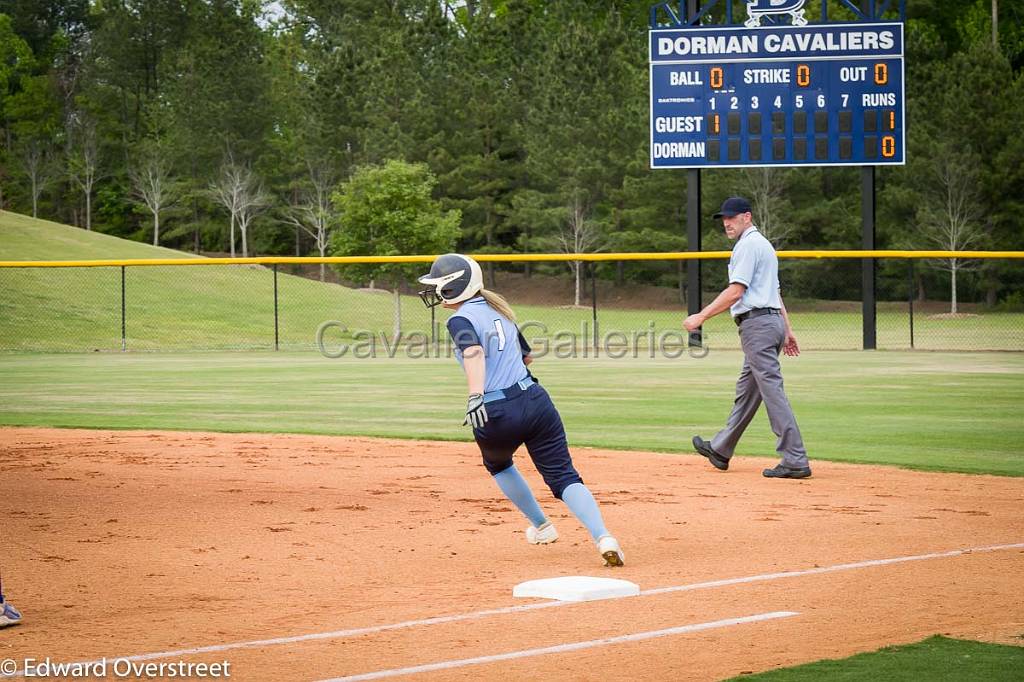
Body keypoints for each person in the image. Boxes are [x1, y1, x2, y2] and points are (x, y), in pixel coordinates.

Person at [417, 253, 624, 566]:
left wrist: (475, 396)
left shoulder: (459, 319)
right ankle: (604, 536)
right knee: (564, 476)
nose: (434, 292)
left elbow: (473, 352)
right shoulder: (501, 311)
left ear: (454, 287)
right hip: (537, 402)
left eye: (439, 285)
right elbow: (527, 358)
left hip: (496, 410)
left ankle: (542, 526)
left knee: (499, 464)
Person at [683, 197, 812, 479]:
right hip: (770, 323)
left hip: (758, 326)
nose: (727, 223)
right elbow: (775, 293)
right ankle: (721, 448)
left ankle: (795, 458)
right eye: (724, 218)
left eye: (732, 217)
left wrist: (701, 317)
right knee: (748, 391)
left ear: (747, 217)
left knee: (772, 392)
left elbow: (736, 292)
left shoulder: (748, 246)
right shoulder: (763, 245)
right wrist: (787, 330)